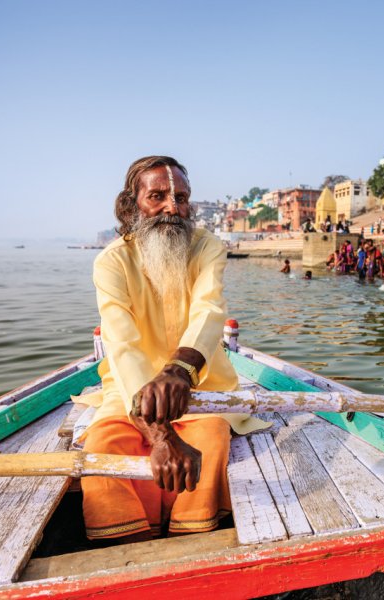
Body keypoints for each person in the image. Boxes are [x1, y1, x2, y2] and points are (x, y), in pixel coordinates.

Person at [82, 156, 269, 542]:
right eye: (158, 196)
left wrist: (179, 371)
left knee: (212, 440)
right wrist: (162, 436)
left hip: (201, 385)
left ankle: (191, 538)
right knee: (103, 447)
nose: (173, 207)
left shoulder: (207, 247)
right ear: (132, 205)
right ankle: (129, 544)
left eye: (181, 197)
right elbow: (120, 343)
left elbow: (209, 310)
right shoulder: (111, 261)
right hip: (127, 388)